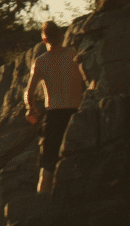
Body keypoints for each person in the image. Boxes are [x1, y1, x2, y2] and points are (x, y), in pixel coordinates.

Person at [24, 20, 87, 195]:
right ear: (61, 36)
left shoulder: (41, 61)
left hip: (54, 116)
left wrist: (31, 110)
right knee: (82, 158)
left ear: (44, 41)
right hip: (78, 112)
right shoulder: (74, 54)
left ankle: (43, 205)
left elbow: (28, 94)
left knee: (47, 166)